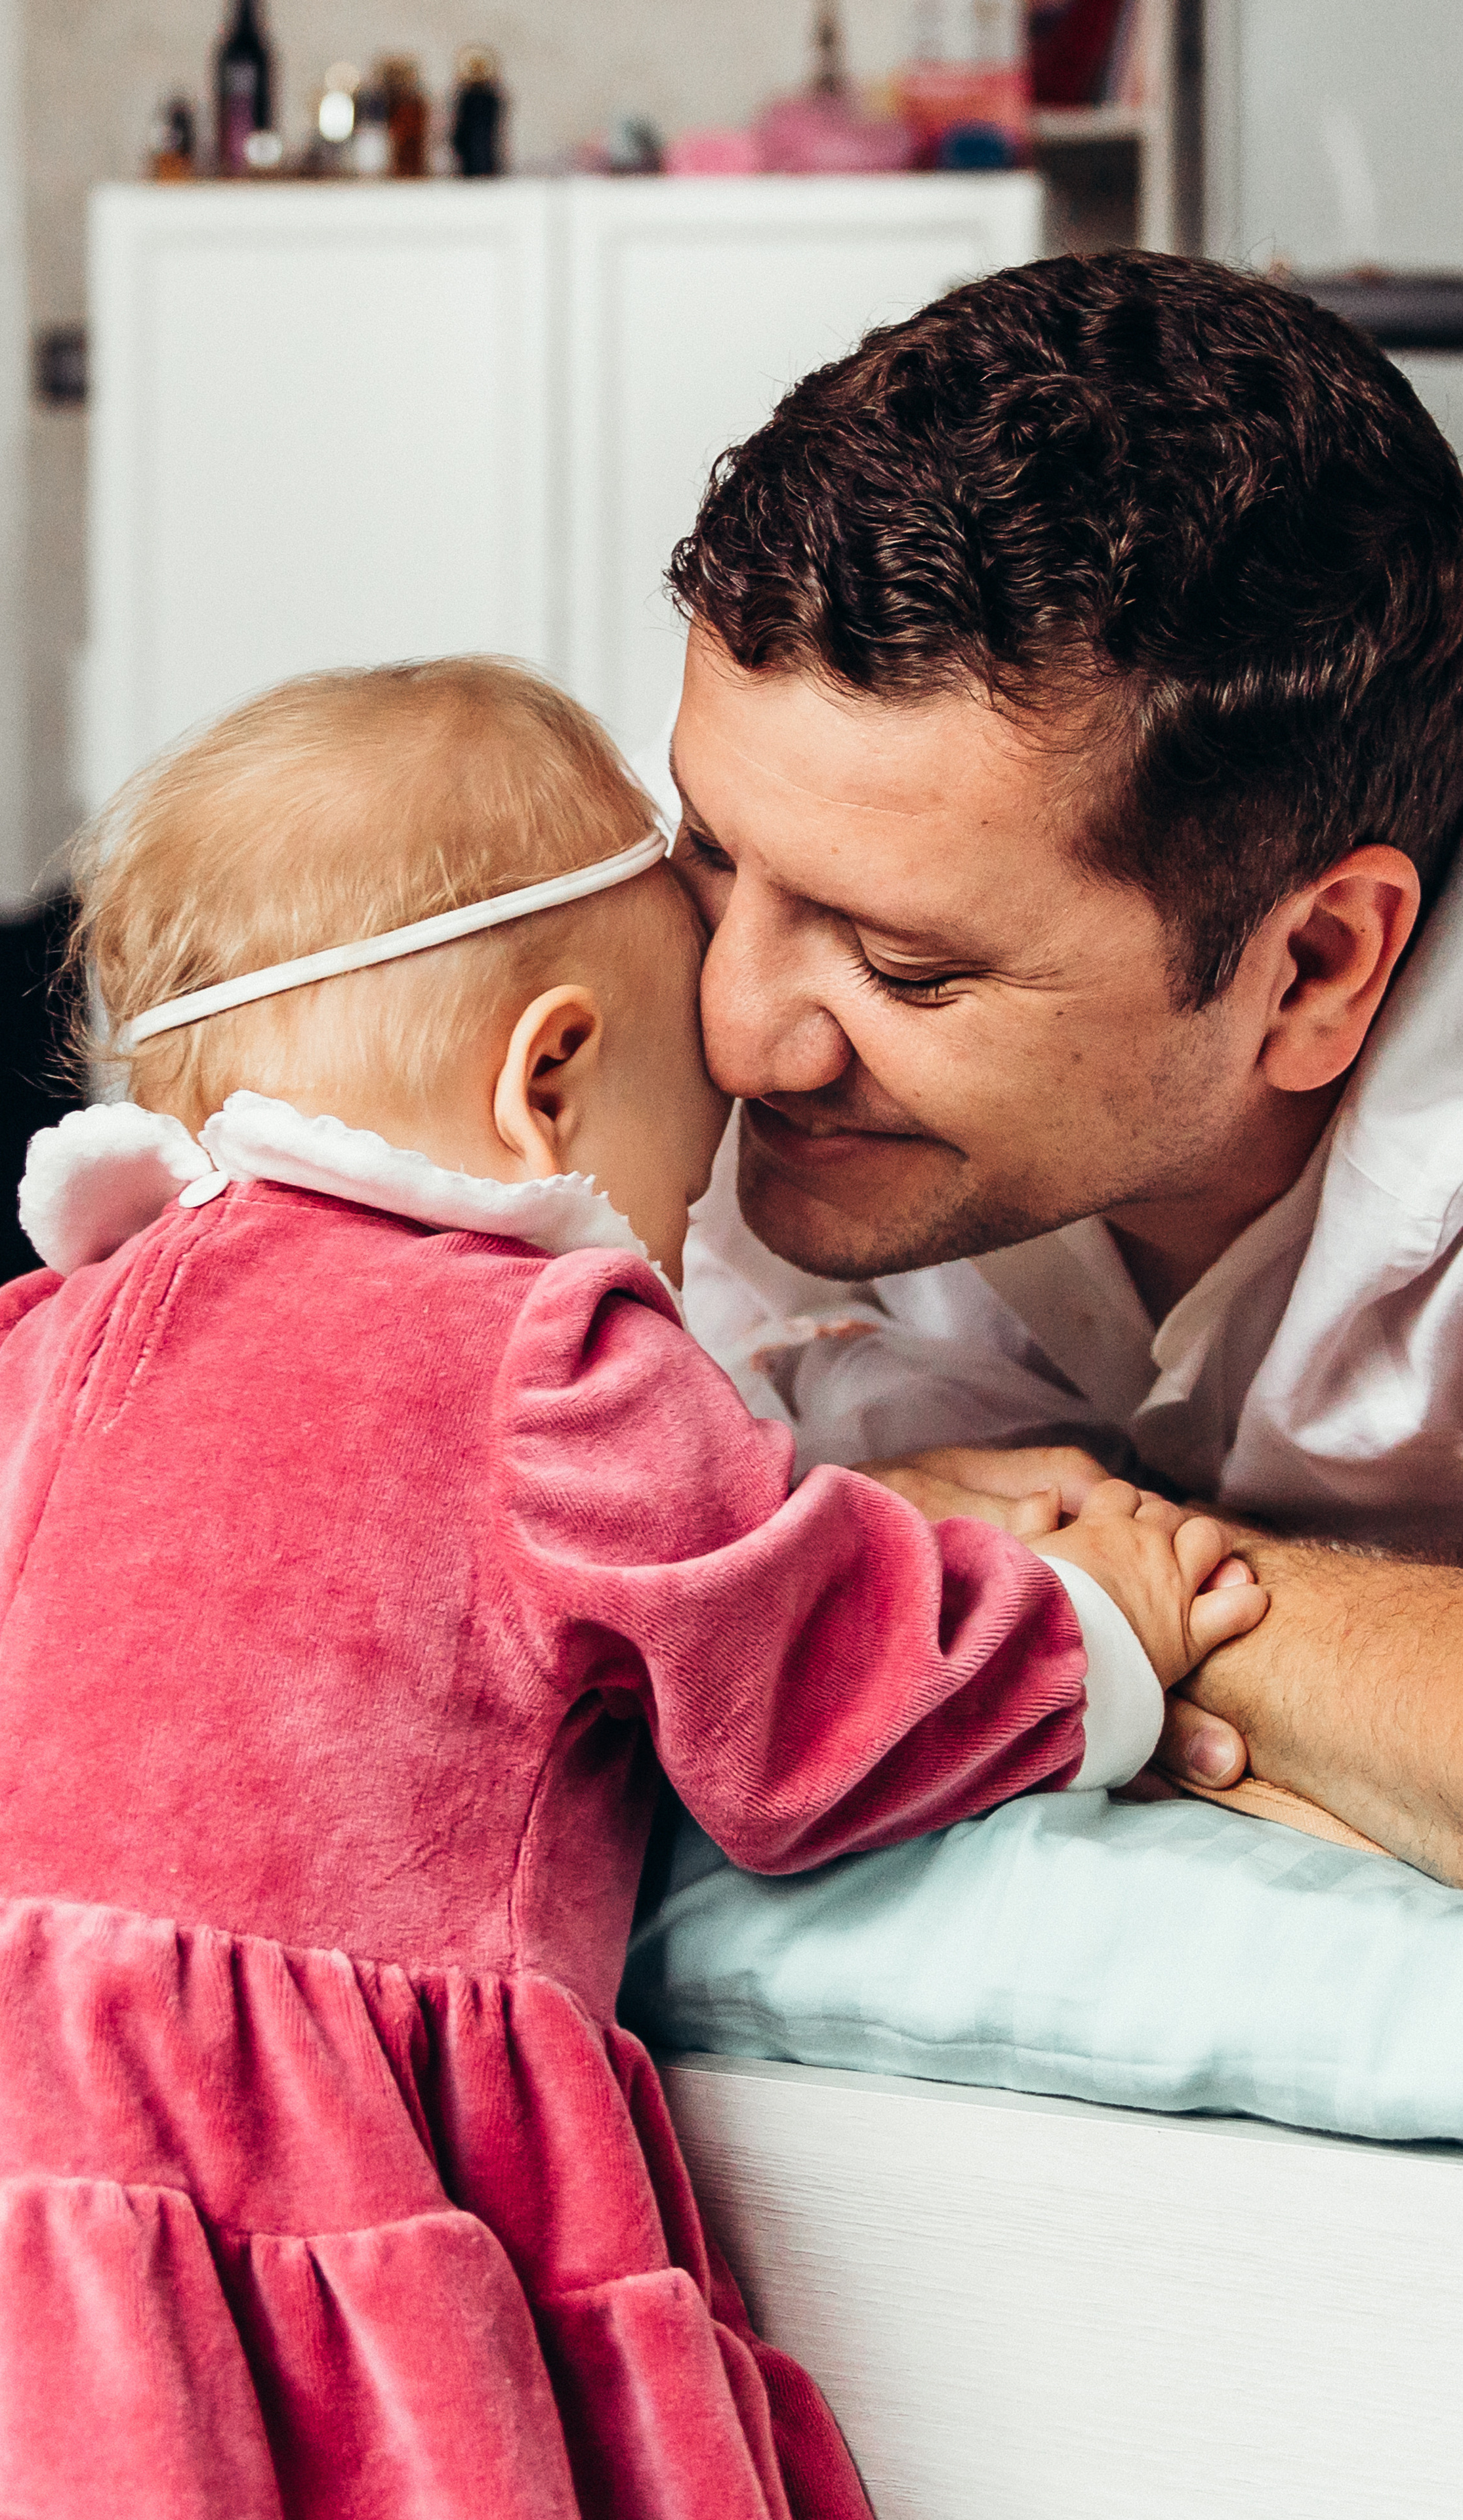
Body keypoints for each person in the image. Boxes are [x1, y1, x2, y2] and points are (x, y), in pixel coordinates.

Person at [0, 660, 1262, 2516]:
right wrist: (1103, 1629)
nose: (693, 1225)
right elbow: (812, 1701)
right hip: (277, 2157)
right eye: (686, 1144)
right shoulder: (546, 1350)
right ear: (548, 1077)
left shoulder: (5, 1350)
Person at [648, 247, 1463, 1883]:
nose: (733, 1036)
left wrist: (1112, 1592)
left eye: (902, 968)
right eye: (713, 852)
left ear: (1311, 969)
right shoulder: (659, 981)